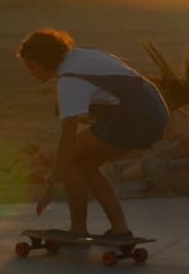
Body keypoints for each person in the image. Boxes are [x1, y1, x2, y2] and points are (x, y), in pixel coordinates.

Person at [16, 28, 168, 238]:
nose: (32, 73)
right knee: (84, 164)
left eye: (32, 67)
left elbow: (67, 136)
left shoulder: (70, 79)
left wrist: (53, 182)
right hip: (153, 112)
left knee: (70, 159)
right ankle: (120, 229)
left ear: (44, 60)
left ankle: (78, 229)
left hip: (137, 118)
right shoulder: (80, 55)